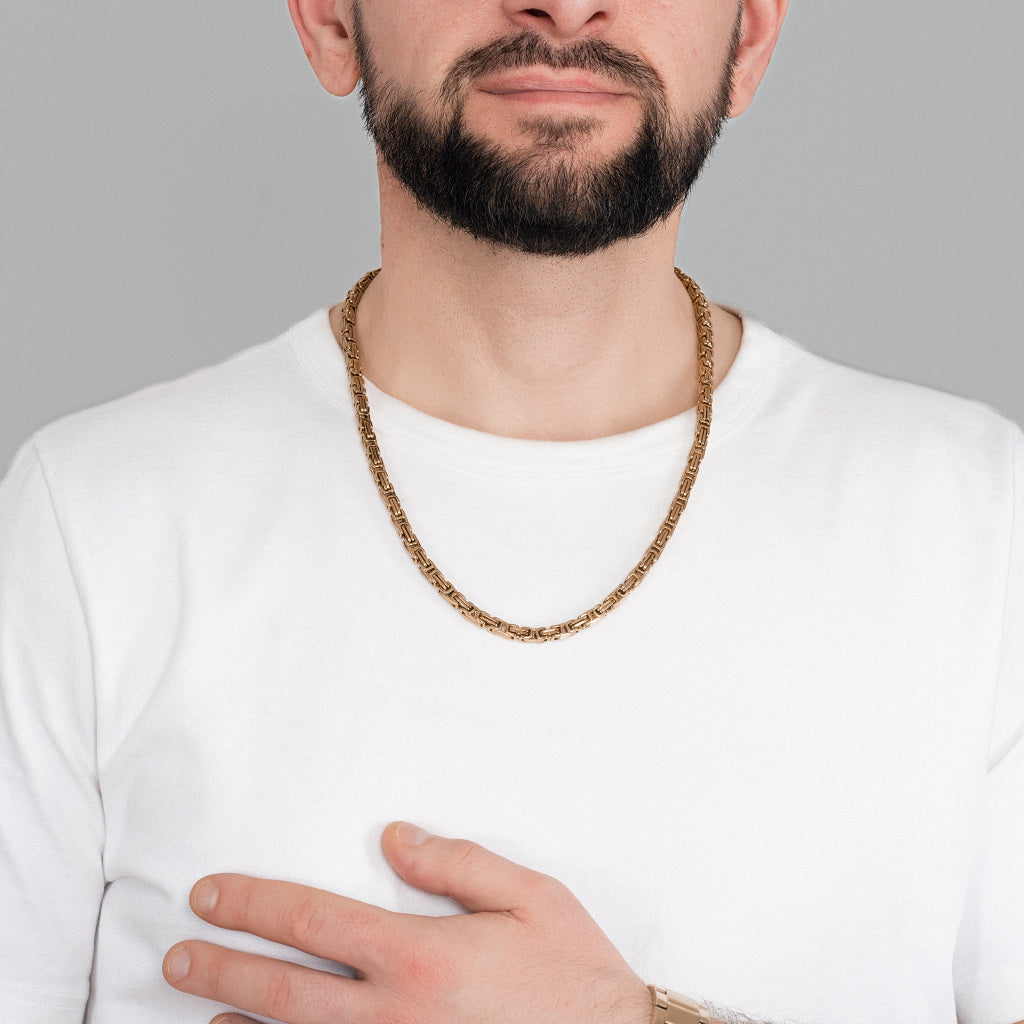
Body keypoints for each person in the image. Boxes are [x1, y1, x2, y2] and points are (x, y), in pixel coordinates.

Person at [0, 0, 1021, 1021]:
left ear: (747, 37)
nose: (567, 5)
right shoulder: (86, 524)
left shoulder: (976, 520)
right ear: (329, 21)